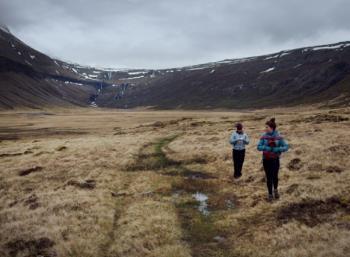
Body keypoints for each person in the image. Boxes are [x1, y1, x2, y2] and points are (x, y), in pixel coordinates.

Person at [257, 118, 289, 202]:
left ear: (272, 128)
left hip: (275, 160)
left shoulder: (279, 137)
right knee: (268, 177)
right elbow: (258, 147)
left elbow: (286, 147)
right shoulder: (263, 136)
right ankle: (270, 194)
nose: (265, 129)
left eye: (267, 127)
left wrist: (277, 149)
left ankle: (275, 190)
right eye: (265, 127)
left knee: (275, 176)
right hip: (266, 160)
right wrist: (267, 148)